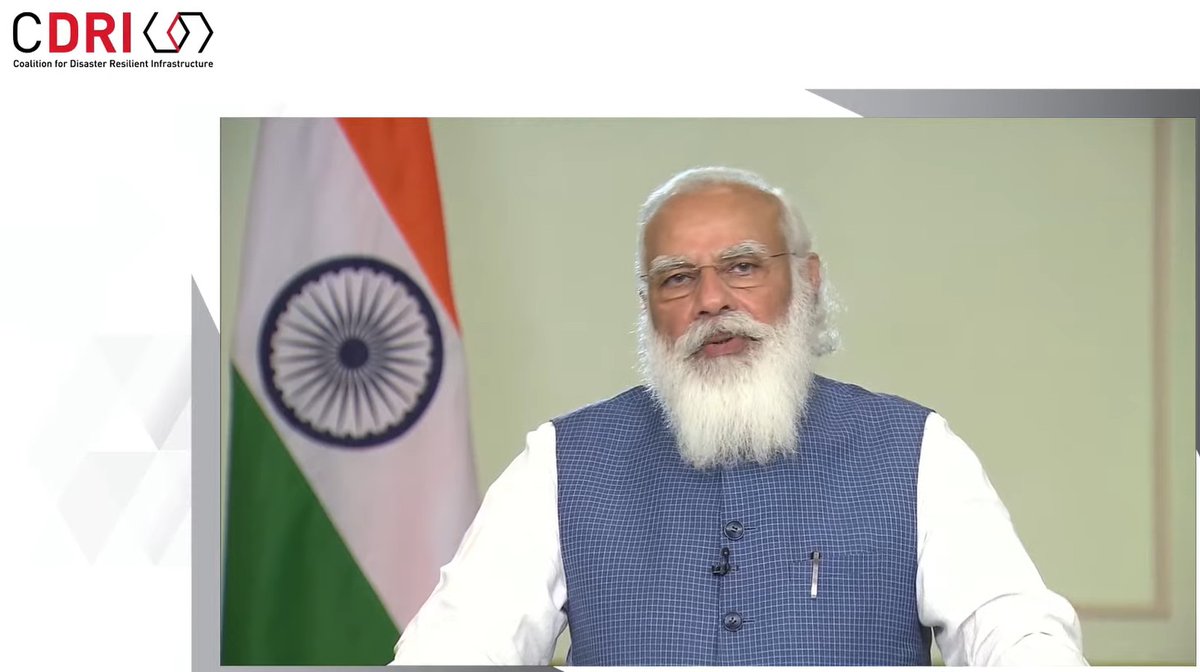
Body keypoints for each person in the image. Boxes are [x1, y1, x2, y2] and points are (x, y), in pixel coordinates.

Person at [390, 166, 1087, 666]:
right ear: (648, 307)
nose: (712, 300)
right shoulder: (561, 462)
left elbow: (1012, 628)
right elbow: (459, 642)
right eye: (677, 278)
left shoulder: (917, 451)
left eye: (743, 266)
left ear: (807, 281)